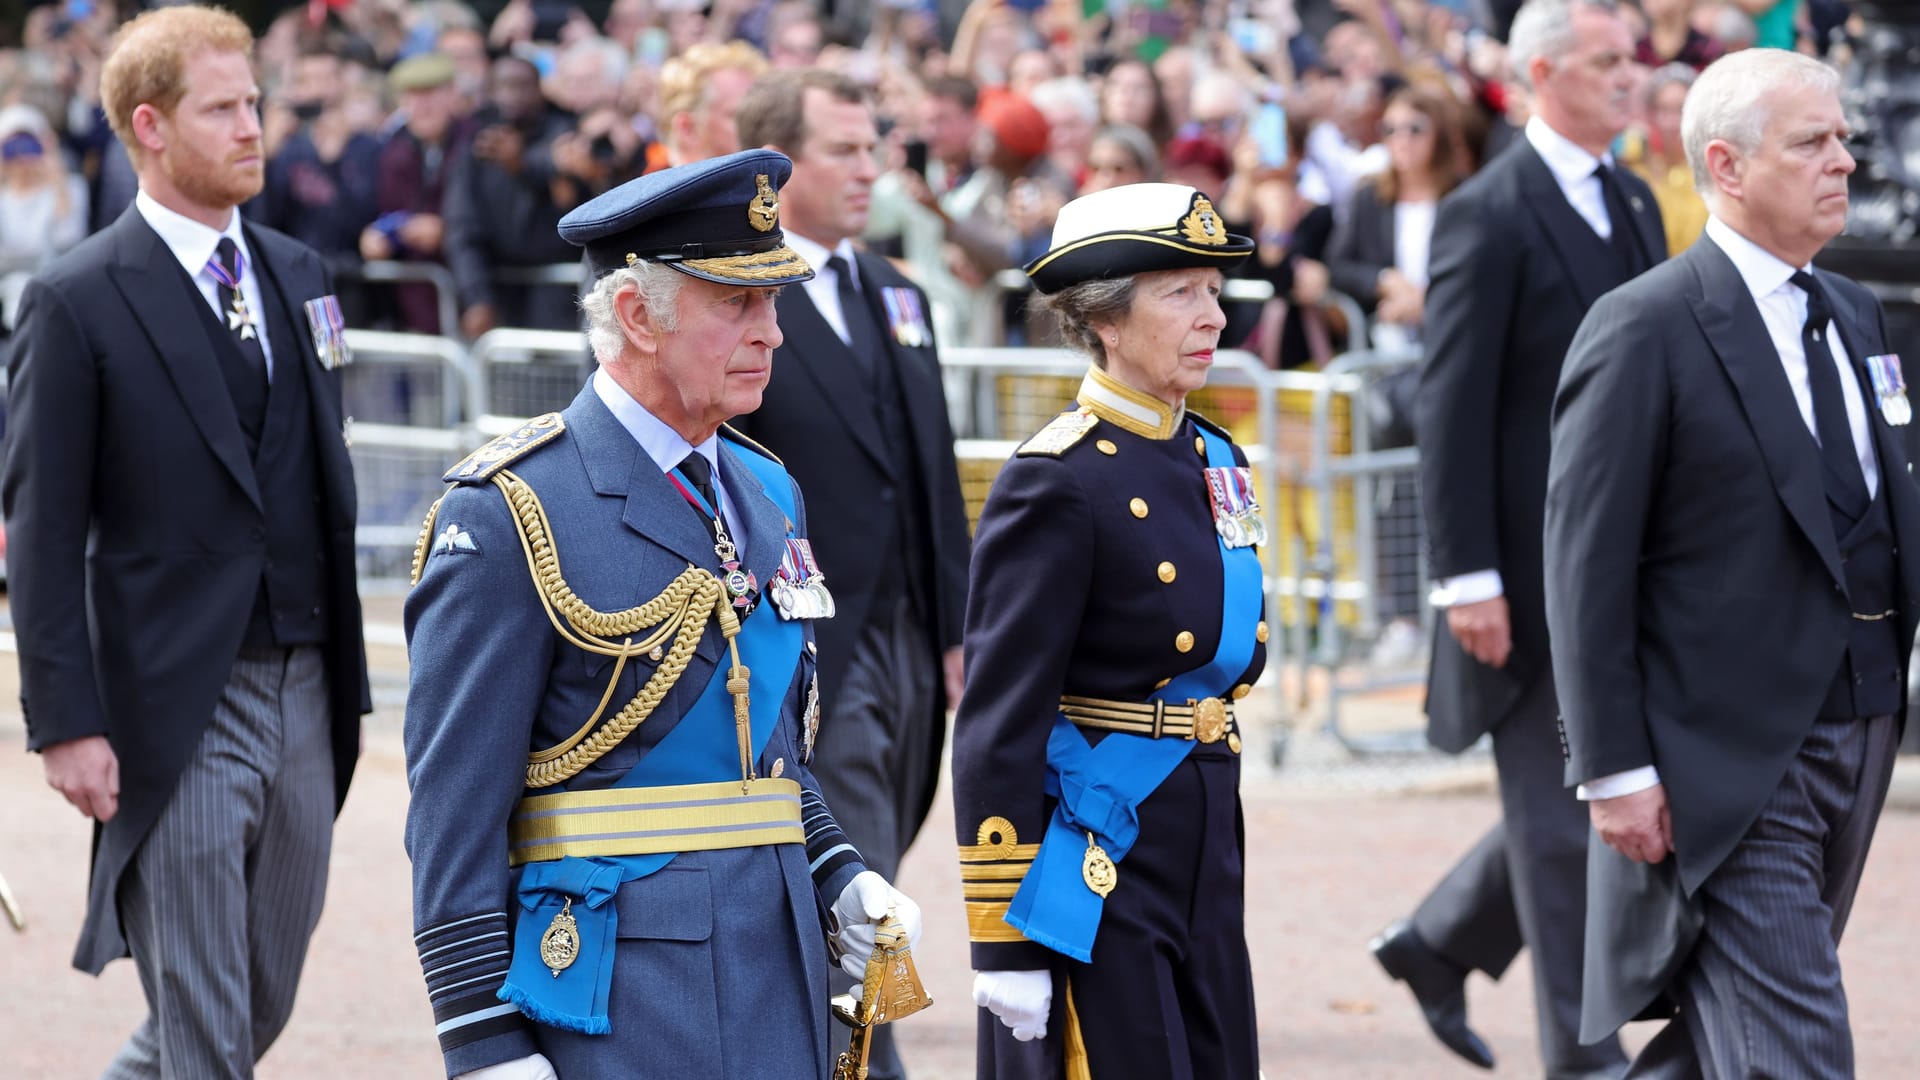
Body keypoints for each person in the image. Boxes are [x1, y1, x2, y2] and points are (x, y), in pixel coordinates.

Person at [402, 148, 924, 1080]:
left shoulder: (766, 492)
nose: (771, 333)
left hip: (781, 970)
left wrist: (837, 869)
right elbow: (453, 810)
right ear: (639, 316)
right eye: (737, 304)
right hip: (616, 992)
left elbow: (763, 746)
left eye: (771, 303)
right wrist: (478, 1037)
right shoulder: (510, 506)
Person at [1, 7, 370, 1076]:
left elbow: (317, 473)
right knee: (206, 1027)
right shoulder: (75, 301)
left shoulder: (303, 273)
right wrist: (66, 720)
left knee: (253, 1001)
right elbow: (44, 528)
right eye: (225, 108)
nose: (255, 125)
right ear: (151, 126)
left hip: (309, 683)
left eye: (254, 101)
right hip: (174, 700)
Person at [1547, 47, 1915, 1078]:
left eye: (1844, 138)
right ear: (1729, 165)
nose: (1845, 160)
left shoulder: (1853, 312)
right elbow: (1586, 563)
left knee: (1735, 1027)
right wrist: (1613, 769)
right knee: (1794, 1043)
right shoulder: (1644, 327)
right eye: (1813, 142)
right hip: (1727, 750)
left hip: (1863, 719)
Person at [1374, 2, 1665, 1077]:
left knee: (1609, 787)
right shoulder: (1487, 213)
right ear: (1540, 73)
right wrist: (1464, 578)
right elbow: (1451, 407)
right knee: (1560, 817)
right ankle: (1584, 1056)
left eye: (1632, 58)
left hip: (1629, 562)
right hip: (1525, 574)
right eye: (1606, 61)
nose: (1631, 77)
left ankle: (1440, 939)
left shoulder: (1632, 198)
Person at [952, 181, 1267, 1079]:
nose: (1212, 315)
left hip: (1204, 830)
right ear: (1105, 322)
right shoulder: (1056, 477)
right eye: (1180, 293)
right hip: (1098, 849)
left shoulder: (1216, 456)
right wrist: (1003, 945)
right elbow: (997, 723)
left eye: (1214, 291)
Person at [732, 70, 972, 1080]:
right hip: (814, 638)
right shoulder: (742, 296)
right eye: (845, 149)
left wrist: (960, 629)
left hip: (912, 634)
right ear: (779, 167)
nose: (872, 167)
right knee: (855, 897)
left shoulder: (895, 292)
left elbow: (931, 468)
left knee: (886, 864)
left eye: (877, 146)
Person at [1624, 64, 1709, 256]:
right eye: (1663, 110)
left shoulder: (1710, 171)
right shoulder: (1634, 165)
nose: (1671, 122)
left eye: (1680, 110)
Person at [651, 41, 768, 170]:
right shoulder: (643, 187)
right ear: (687, 128)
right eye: (740, 117)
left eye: (760, 116)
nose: (759, 129)